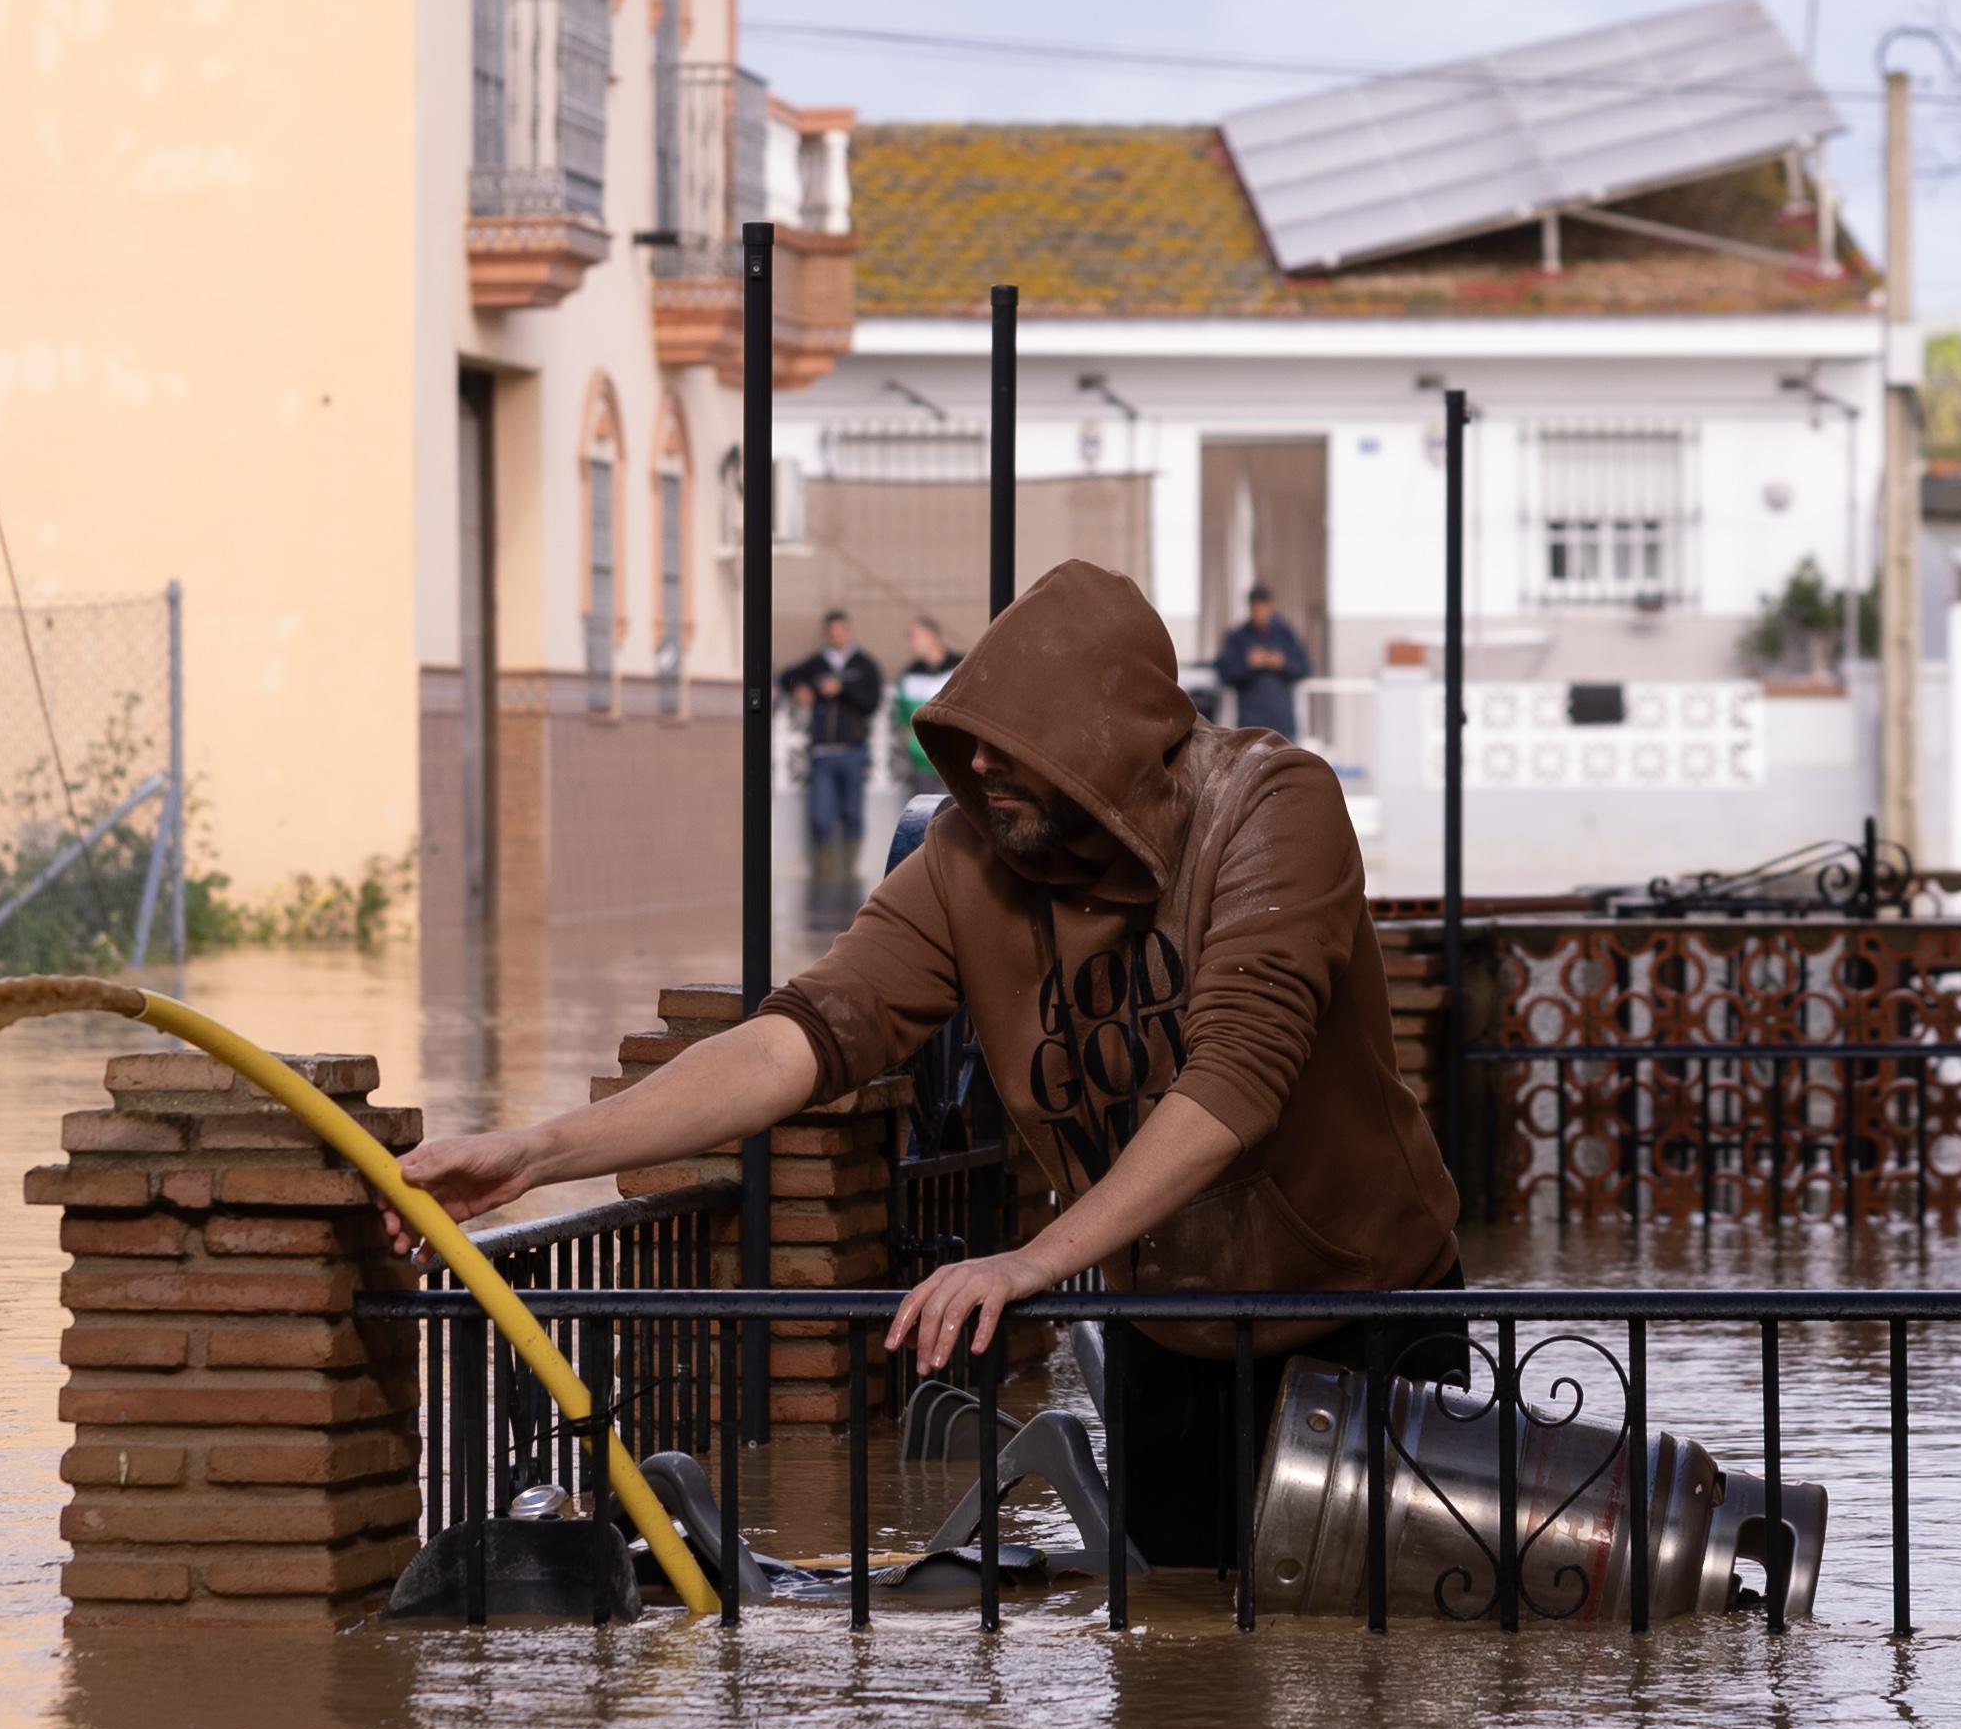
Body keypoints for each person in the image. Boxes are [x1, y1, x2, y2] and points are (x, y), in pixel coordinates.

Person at [400, 561, 1460, 1571]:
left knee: (1371, 1682)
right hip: (1169, 1338)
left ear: (1104, 739)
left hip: (1358, 1318)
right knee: (1180, 1702)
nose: (981, 766)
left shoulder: (1270, 803)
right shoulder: (965, 860)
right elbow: (798, 1038)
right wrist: (534, 1152)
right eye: (967, 744)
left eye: (1012, 742)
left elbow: (1238, 1076)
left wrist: (1028, 1260)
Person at [787, 610, 884, 896]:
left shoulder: (864, 665)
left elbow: (871, 702)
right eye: (832, 631)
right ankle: (825, 878)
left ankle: (848, 875)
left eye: (841, 630)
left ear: (849, 631)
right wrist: (800, 689)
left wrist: (842, 689)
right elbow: (787, 678)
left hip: (853, 750)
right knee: (820, 816)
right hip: (821, 753)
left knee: (852, 813)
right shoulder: (817, 664)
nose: (837, 636)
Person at [1211, 584, 1313, 741]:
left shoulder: (1286, 635)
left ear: (1270, 607)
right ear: (1250, 608)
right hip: (1250, 724)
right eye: (1255, 608)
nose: (1260, 613)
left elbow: (1304, 667)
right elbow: (1224, 673)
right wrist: (1248, 664)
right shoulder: (1238, 637)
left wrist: (1282, 663)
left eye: (1263, 608)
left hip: (1282, 724)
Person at [889, 614, 959, 787]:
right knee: (925, 812)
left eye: (913, 636)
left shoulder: (960, 667)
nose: (910, 643)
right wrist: (912, 745)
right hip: (921, 762)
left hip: (956, 760)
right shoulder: (909, 674)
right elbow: (901, 718)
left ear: (931, 636)